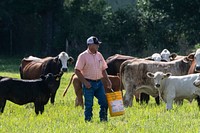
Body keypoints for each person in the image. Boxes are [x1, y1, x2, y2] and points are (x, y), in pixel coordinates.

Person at [74, 36, 112, 122]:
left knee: (104, 102)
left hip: (99, 83)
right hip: (88, 84)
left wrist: (107, 80)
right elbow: (77, 70)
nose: (98, 46)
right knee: (89, 104)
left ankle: (103, 119)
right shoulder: (83, 56)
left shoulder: (99, 55)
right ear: (90, 45)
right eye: (96, 44)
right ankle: (88, 120)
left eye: (98, 44)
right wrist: (85, 82)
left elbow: (103, 69)